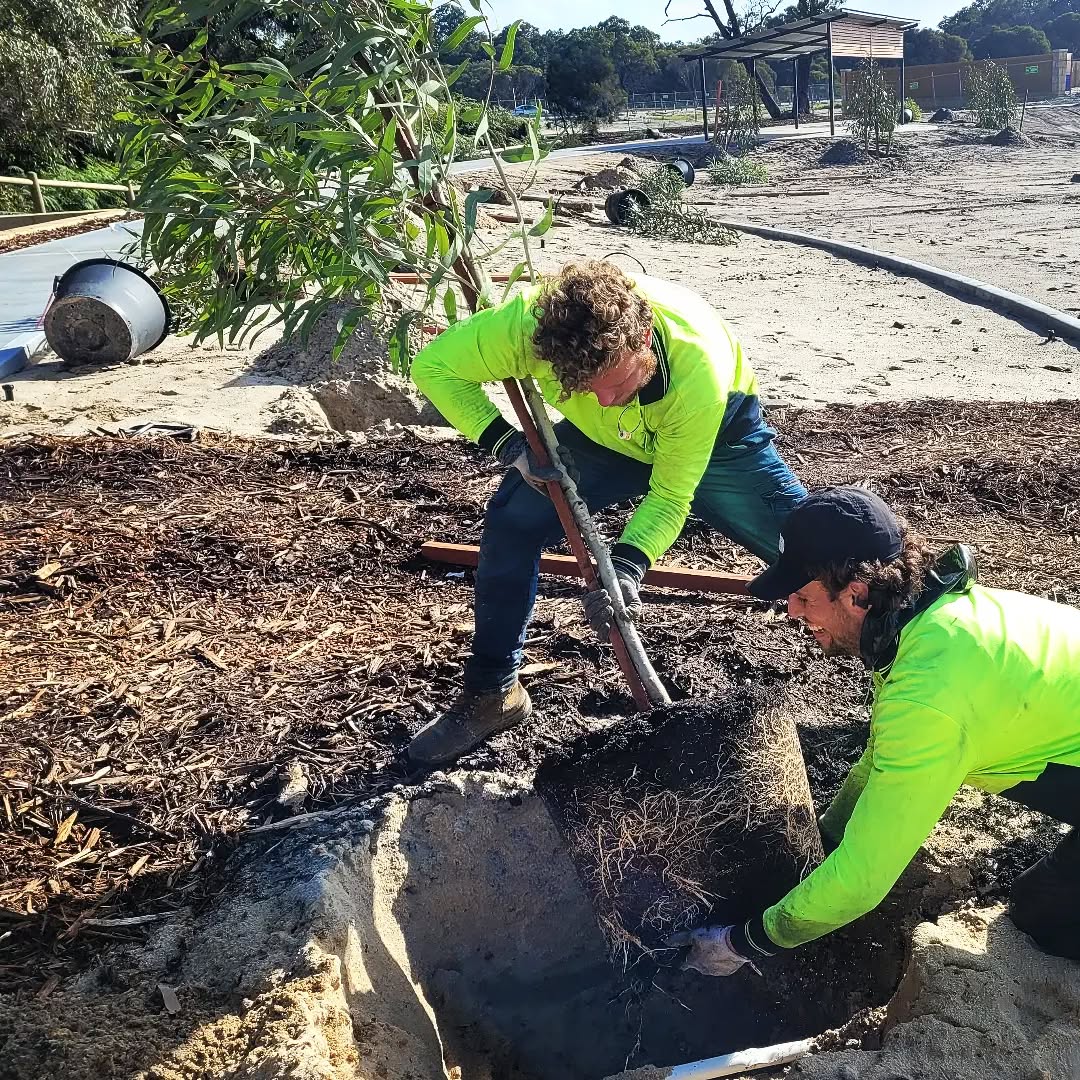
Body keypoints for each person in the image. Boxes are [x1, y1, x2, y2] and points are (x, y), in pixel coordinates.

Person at [667, 486, 1080, 977]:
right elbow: (879, 758)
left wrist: (744, 943)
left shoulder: (930, 694)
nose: (793, 613)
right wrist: (825, 839)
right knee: (1043, 900)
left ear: (857, 593)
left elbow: (862, 883)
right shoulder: (931, 623)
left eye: (803, 598)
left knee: (1045, 916)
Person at [407, 259, 806, 766]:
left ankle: (902, 643)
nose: (601, 397)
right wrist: (506, 444)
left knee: (814, 549)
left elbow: (668, 496)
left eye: (613, 383)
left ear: (642, 339)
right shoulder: (525, 329)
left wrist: (627, 567)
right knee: (513, 520)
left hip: (716, 440)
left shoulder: (694, 372)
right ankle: (493, 694)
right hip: (604, 443)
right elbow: (433, 367)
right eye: (582, 385)